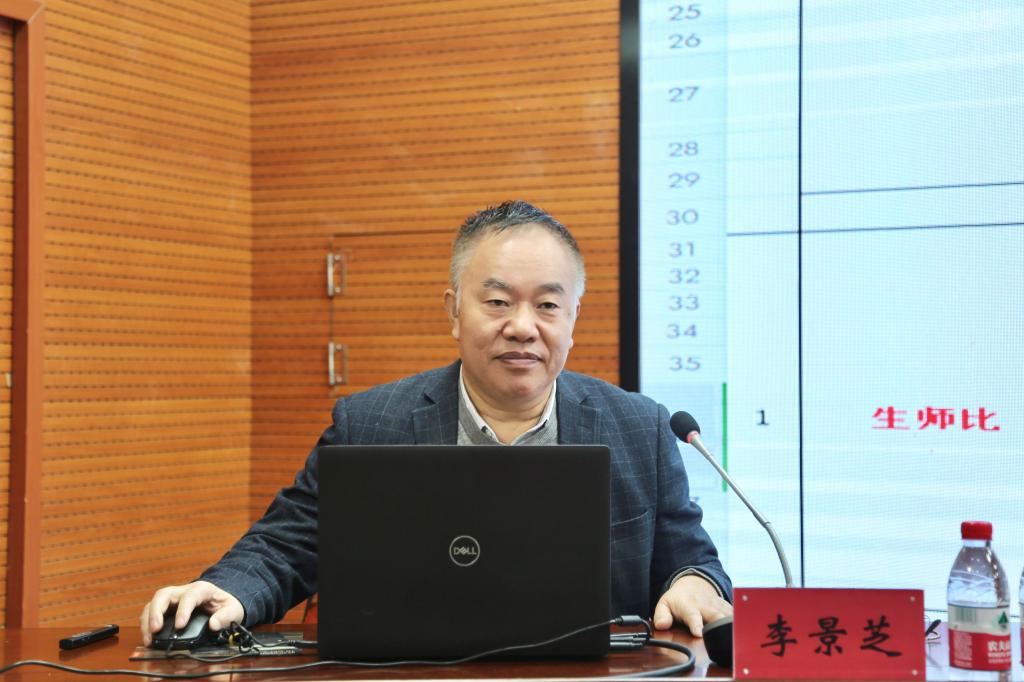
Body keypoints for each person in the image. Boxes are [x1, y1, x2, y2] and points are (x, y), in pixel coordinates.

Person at [140, 200, 733, 646]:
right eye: (497, 302)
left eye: (548, 305)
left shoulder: (640, 428)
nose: (523, 326)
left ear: (573, 317)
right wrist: (229, 591)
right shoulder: (371, 423)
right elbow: (287, 543)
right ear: (454, 312)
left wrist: (694, 584)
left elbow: (696, 564)